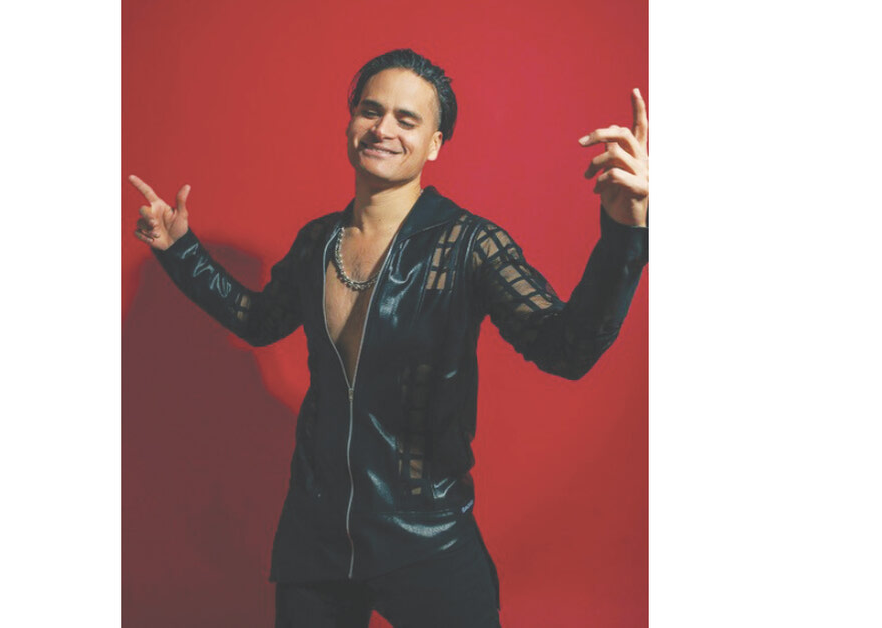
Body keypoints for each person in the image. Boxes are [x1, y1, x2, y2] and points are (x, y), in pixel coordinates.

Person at [129, 48, 647, 628]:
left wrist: (624, 233)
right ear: (351, 123)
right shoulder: (317, 241)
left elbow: (567, 350)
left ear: (434, 144)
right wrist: (180, 250)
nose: (383, 129)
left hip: (428, 540)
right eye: (371, 111)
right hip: (316, 537)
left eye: (407, 119)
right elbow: (258, 320)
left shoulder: (470, 244)